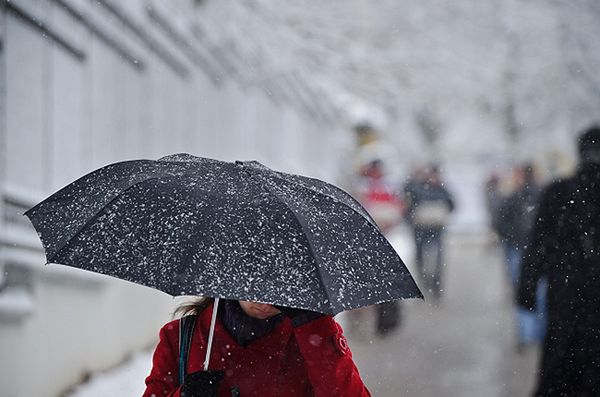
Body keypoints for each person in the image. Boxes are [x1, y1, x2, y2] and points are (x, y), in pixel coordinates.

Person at [142, 298, 371, 397]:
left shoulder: (307, 335)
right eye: (254, 285)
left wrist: (315, 328)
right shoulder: (182, 336)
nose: (263, 302)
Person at [517, 125, 600, 396]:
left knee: (561, 361)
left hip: (566, 293)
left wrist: (527, 288)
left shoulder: (558, 193)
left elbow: (537, 245)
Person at [496, 163, 546, 351]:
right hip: (539, 251)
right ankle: (539, 334)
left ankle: (525, 334)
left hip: (517, 248)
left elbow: (500, 222)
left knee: (522, 290)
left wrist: (511, 237)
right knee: (540, 291)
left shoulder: (513, 197)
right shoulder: (545, 196)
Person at [404, 164, 454, 300]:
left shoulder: (442, 189)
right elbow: (408, 204)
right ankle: (424, 280)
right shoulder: (417, 187)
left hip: (436, 228)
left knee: (438, 256)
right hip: (421, 228)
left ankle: (436, 283)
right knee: (420, 255)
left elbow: (452, 204)